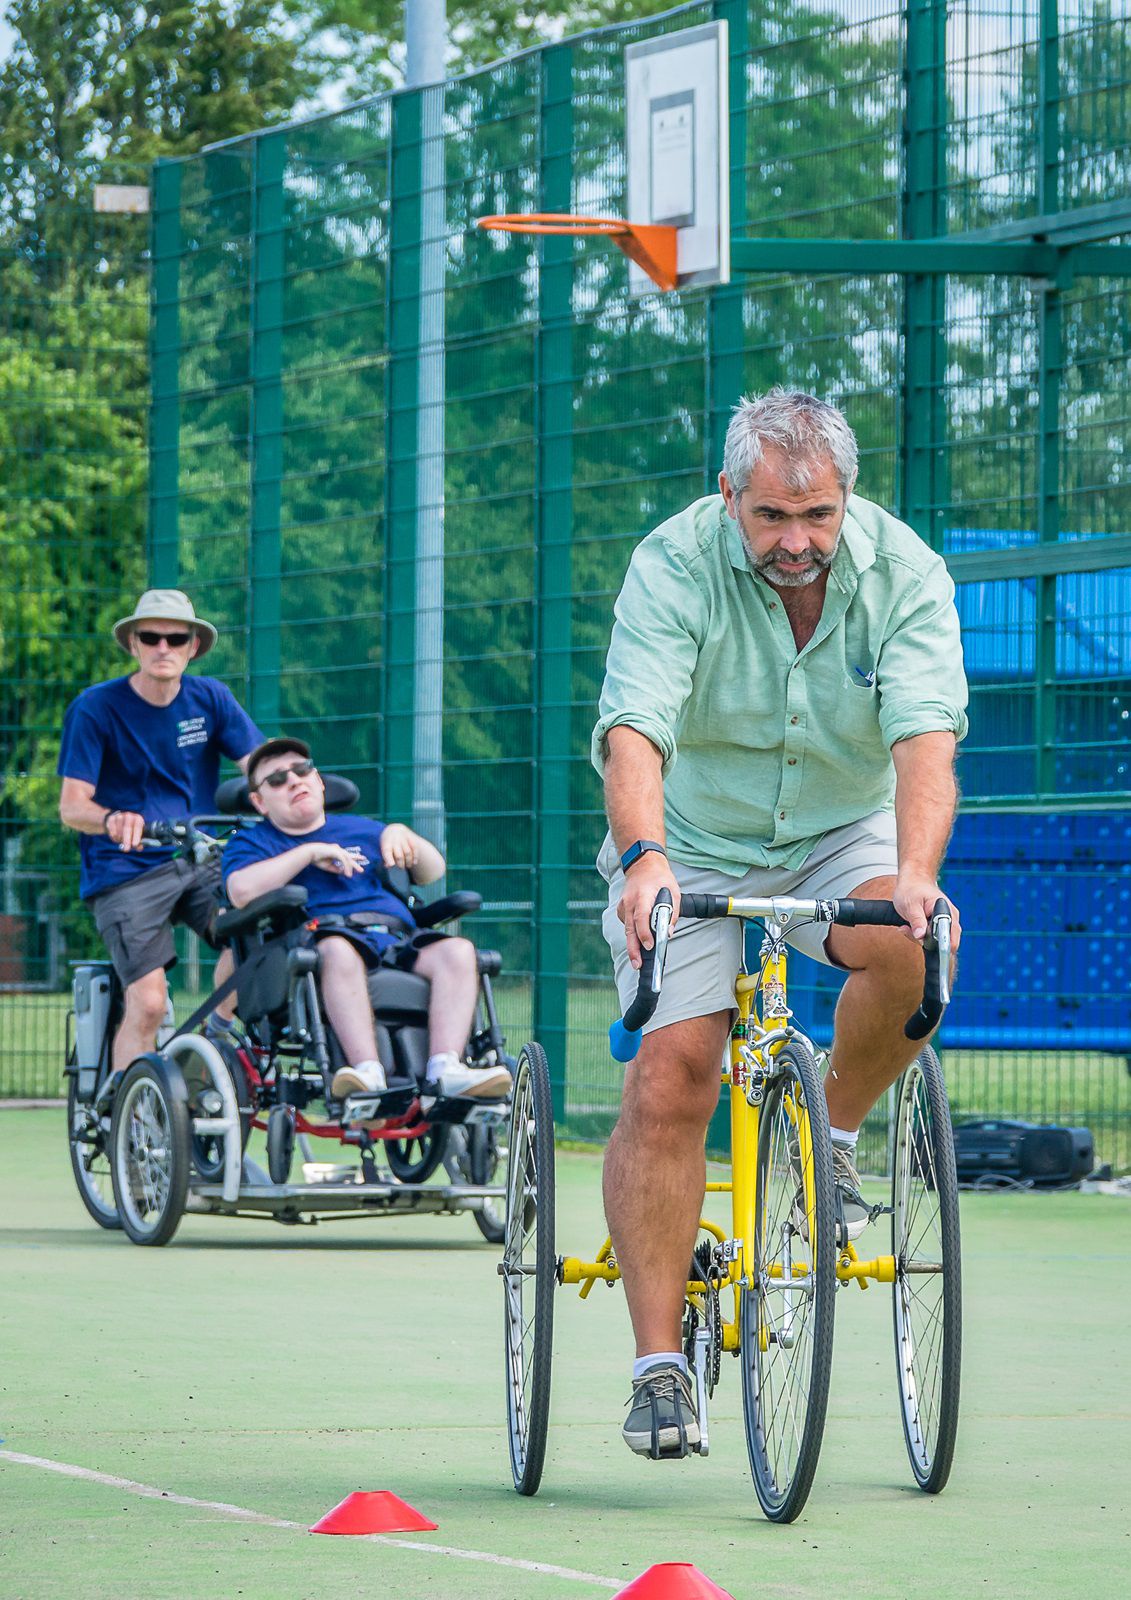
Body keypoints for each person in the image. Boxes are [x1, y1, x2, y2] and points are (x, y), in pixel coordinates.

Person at [592, 389, 968, 1458]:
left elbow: (926, 738)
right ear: (730, 499)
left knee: (919, 942)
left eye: (817, 515)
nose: (795, 540)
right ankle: (659, 1365)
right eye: (770, 517)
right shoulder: (673, 563)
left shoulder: (908, 574)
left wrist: (917, 874)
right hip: (691, 835)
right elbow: (634, 728)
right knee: (675, 1068)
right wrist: (646, 859)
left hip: (839, 826)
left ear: (847, 496)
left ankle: (833, 1138)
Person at [221, 737, 512, 1104]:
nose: (294, 781)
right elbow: (240, 892)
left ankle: (446, 1067)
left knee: (459, 951)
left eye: (302, 770)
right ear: (259, 802)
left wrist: (402, 834)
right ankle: (366, 1072)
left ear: (320, 781)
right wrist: (309, 853)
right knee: (339, 951)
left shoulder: (364, 830)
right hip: (323, 939)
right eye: (277, 780)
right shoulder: (254, 843)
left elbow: (433, 870)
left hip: (397, 938)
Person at [58, 590, 263, 1103]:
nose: (163, 646)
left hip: (201, 859)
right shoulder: (94, 708)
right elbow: (72, 807)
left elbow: (261, 768)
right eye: (151, 637)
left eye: (176, 637)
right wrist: (113, 820)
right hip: (123, 869)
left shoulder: (211, 698)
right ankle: (133, 1122)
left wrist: (300, 789)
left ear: (193, 646)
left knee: (261, 935)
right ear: (133, 644)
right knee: (148, 1005)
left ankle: (213, 1035)